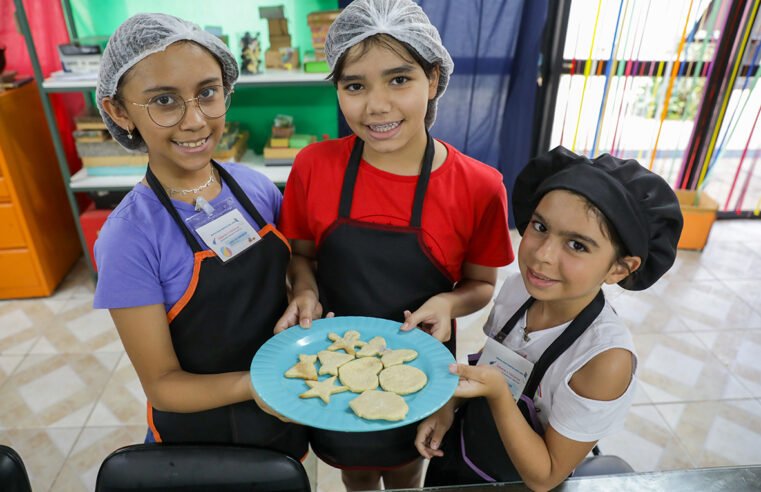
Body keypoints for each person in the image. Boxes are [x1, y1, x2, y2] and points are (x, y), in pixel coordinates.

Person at [275, 0, 513, 489]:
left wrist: (449, 300)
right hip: (334, 370)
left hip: (422, 366)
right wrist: (304, 291)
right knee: (354, 473)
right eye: (354, 85)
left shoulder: (479, 185)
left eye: (399, 79)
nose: (376, 105)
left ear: (433, 77)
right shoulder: (314, 166)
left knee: (408, 470)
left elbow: (481, 283)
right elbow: (302, 255)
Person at [93, 13, 307, 457]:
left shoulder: (254, 187)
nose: (195, 121)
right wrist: (256, 385)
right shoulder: (129, 238)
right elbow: (163, 386)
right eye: (165, 101)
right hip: (199, 436)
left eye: (207, 93)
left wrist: (305, 287)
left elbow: (292, 267)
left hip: (283, 406)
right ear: (118, 110)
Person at [415, 146, 684, 490]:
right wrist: (448, 408)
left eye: (577, 245)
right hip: (459, 454)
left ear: (620, 268)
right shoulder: (517, 291)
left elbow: (545, 476)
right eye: (540, 226)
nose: (542, 256)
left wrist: (498, 393)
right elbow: (491, 358)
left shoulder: (604, 361)